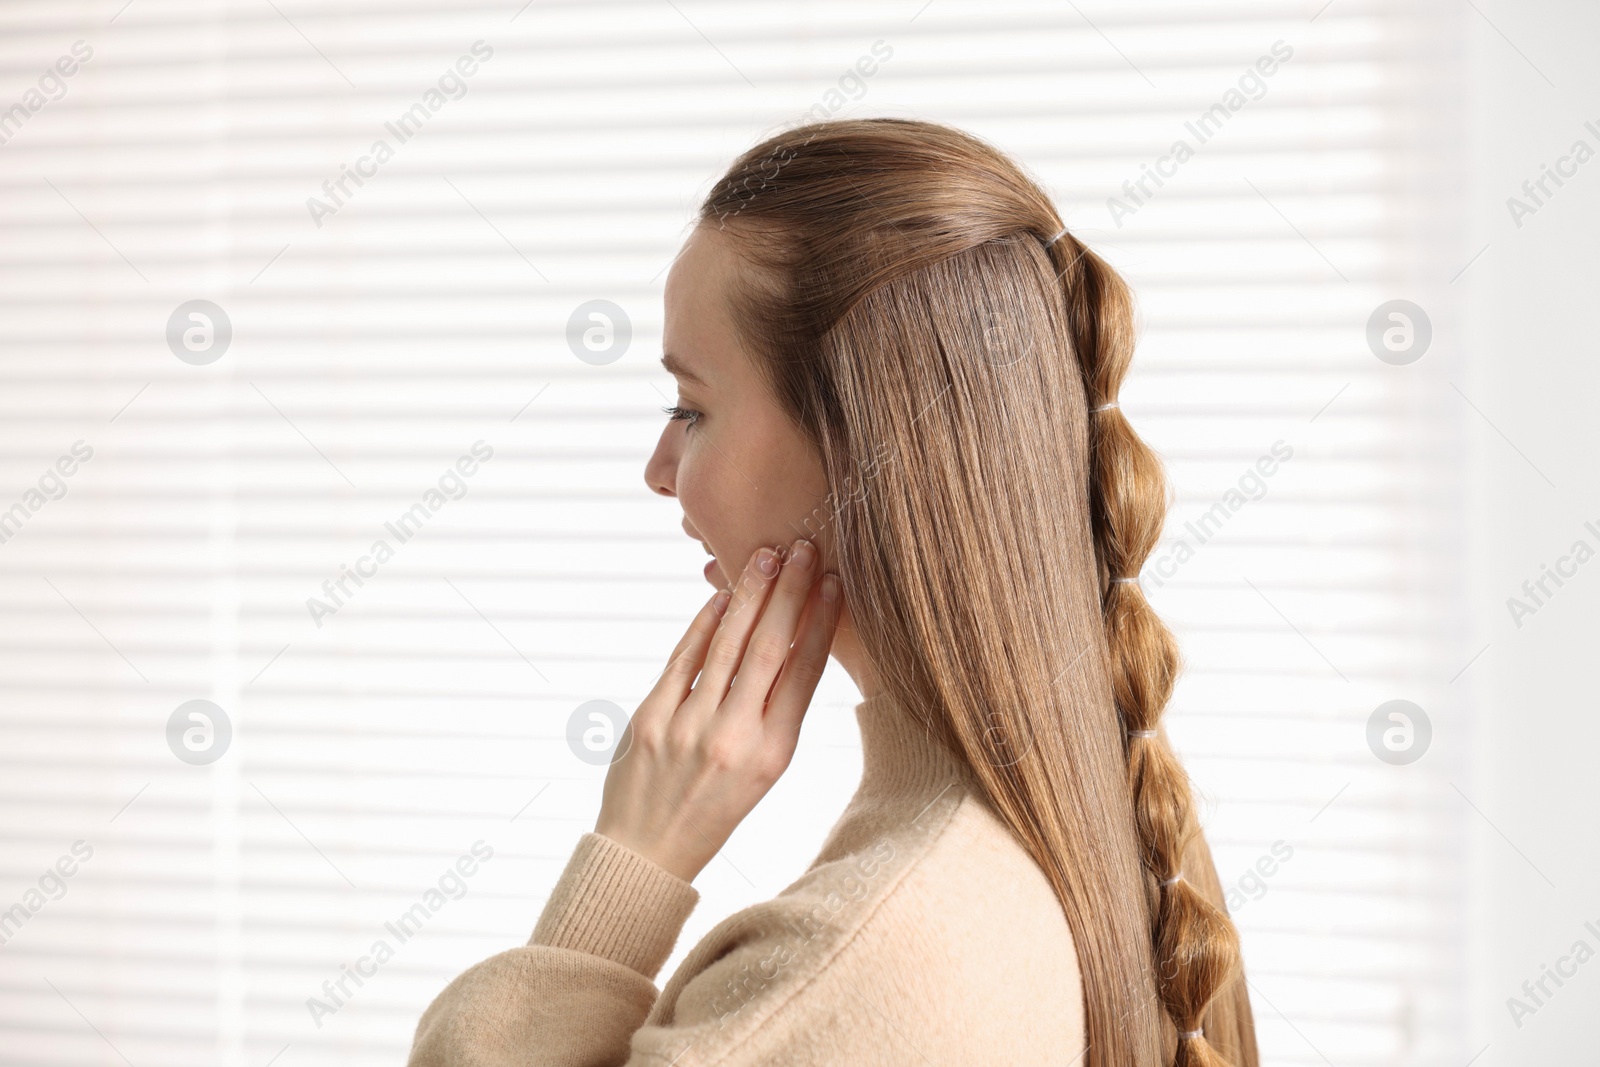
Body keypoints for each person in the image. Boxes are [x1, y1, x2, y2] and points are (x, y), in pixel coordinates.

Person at [408, 117, 1259, 1067]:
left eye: (690, 409)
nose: (659, 469)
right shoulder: (1088, 818)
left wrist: (634, 856)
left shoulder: (849, 970)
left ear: (859, 448)